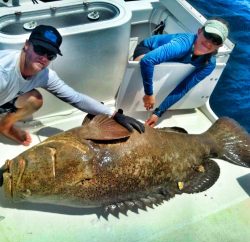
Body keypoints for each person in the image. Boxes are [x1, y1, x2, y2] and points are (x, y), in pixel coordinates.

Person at [0, 25, 144, 146]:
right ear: (26, 45)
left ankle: (5, 125)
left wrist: (114, 114)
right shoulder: (3, 72)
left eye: (50, 55)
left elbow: (76, 98)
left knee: (35, 100)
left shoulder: (45, 75)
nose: (44, 57)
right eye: (39, 49)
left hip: (8, 96)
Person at [133, 18, 229, 127]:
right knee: (137, 70)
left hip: (167, 61)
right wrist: (149, 94)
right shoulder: (183, 44)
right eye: (208, 35)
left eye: (216, 41)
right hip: (148, 49)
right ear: (199, 31)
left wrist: (158, 113)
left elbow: (184, 87)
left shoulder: (209, 64)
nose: (209, 42)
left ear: (219, 46)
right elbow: (148, 60)